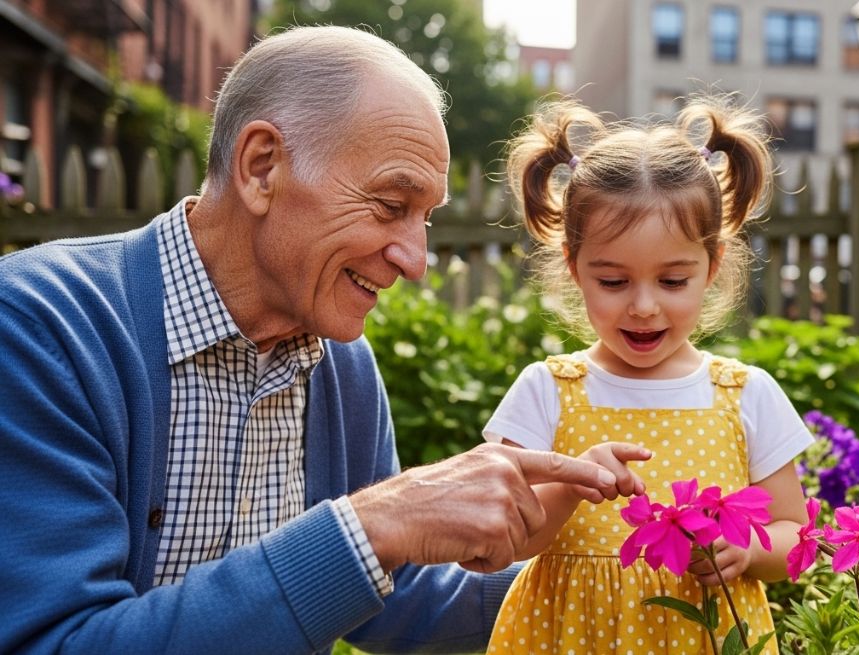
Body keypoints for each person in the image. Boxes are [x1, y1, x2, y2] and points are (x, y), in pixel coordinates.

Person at [0, 26, 646, 655]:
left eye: (426, 218)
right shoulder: (42, 327)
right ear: (261, 167)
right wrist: (378, 522)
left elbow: (394, 595)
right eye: (392, 204)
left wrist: (610, 580)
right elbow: (57, 639)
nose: (416, 258)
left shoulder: (341, 364)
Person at [481, 97, 817, 654]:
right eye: (613, 282)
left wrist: (751, 553)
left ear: (711, 266)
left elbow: (794, 534)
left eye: (672, 281)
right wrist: (570, 482)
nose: (642, 307)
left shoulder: (747, 395)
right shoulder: (546, 391)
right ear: (574, 267)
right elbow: (512, 540)